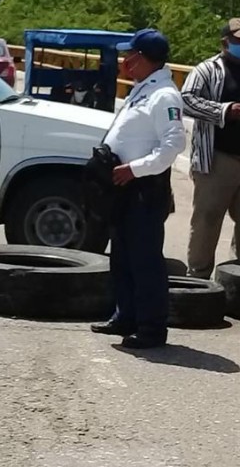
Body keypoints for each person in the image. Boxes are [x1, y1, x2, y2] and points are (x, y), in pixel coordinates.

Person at [90, 28, 186, 349]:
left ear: (144, 58)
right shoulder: (142, 89)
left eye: (129, 55)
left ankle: (151, 329)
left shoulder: (164, 95)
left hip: (145, 189)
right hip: (124, 188)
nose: (125, 61)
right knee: (122, 258)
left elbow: (173, 145)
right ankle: (125, 316)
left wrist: (134, 168)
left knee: (145, 262)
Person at [181, 19, 240, 280]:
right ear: (225, 41)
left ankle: (234, 278)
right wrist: (225, 110)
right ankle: (198, 279)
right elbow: (186, 100)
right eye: (238, 40)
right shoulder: (208, 69)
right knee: (207, 219)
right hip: (217, 158)